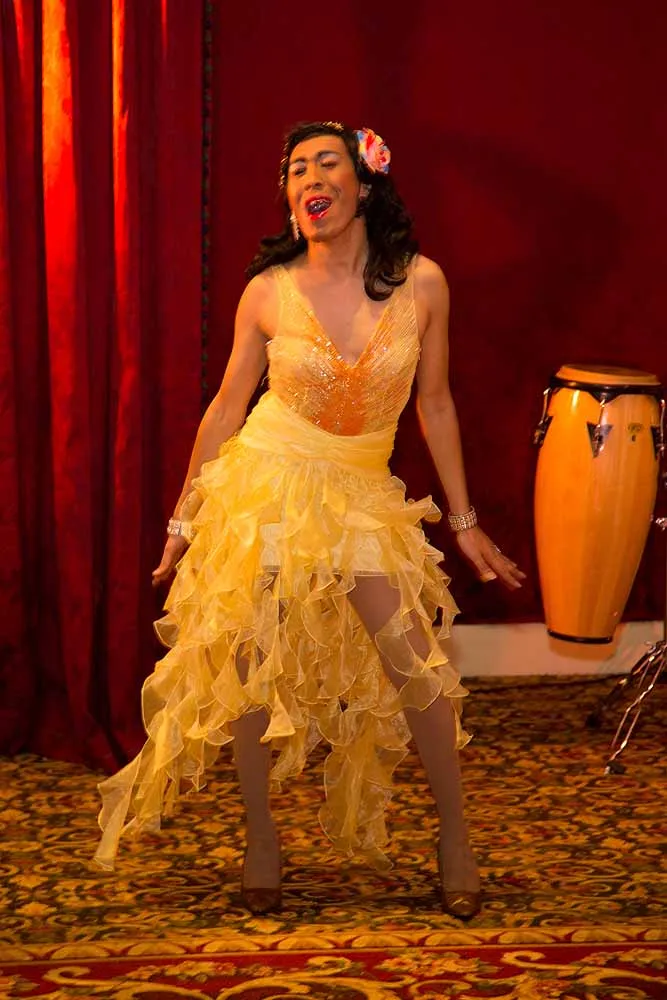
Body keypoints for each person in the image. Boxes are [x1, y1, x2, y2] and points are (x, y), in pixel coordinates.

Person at [94, 120, 524, 920]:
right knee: (255, 666)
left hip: (360, 488)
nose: (309, 177)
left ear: (364, 184)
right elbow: (226, 408)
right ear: (289, 197)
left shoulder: (423, 284)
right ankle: (261, 838)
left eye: (327, 162)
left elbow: (433, 403)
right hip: (269, 481)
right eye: (296, 168)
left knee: (417, 667)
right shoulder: (268, 290)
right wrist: (183, 520)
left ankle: (455, 838)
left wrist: (463, 522)